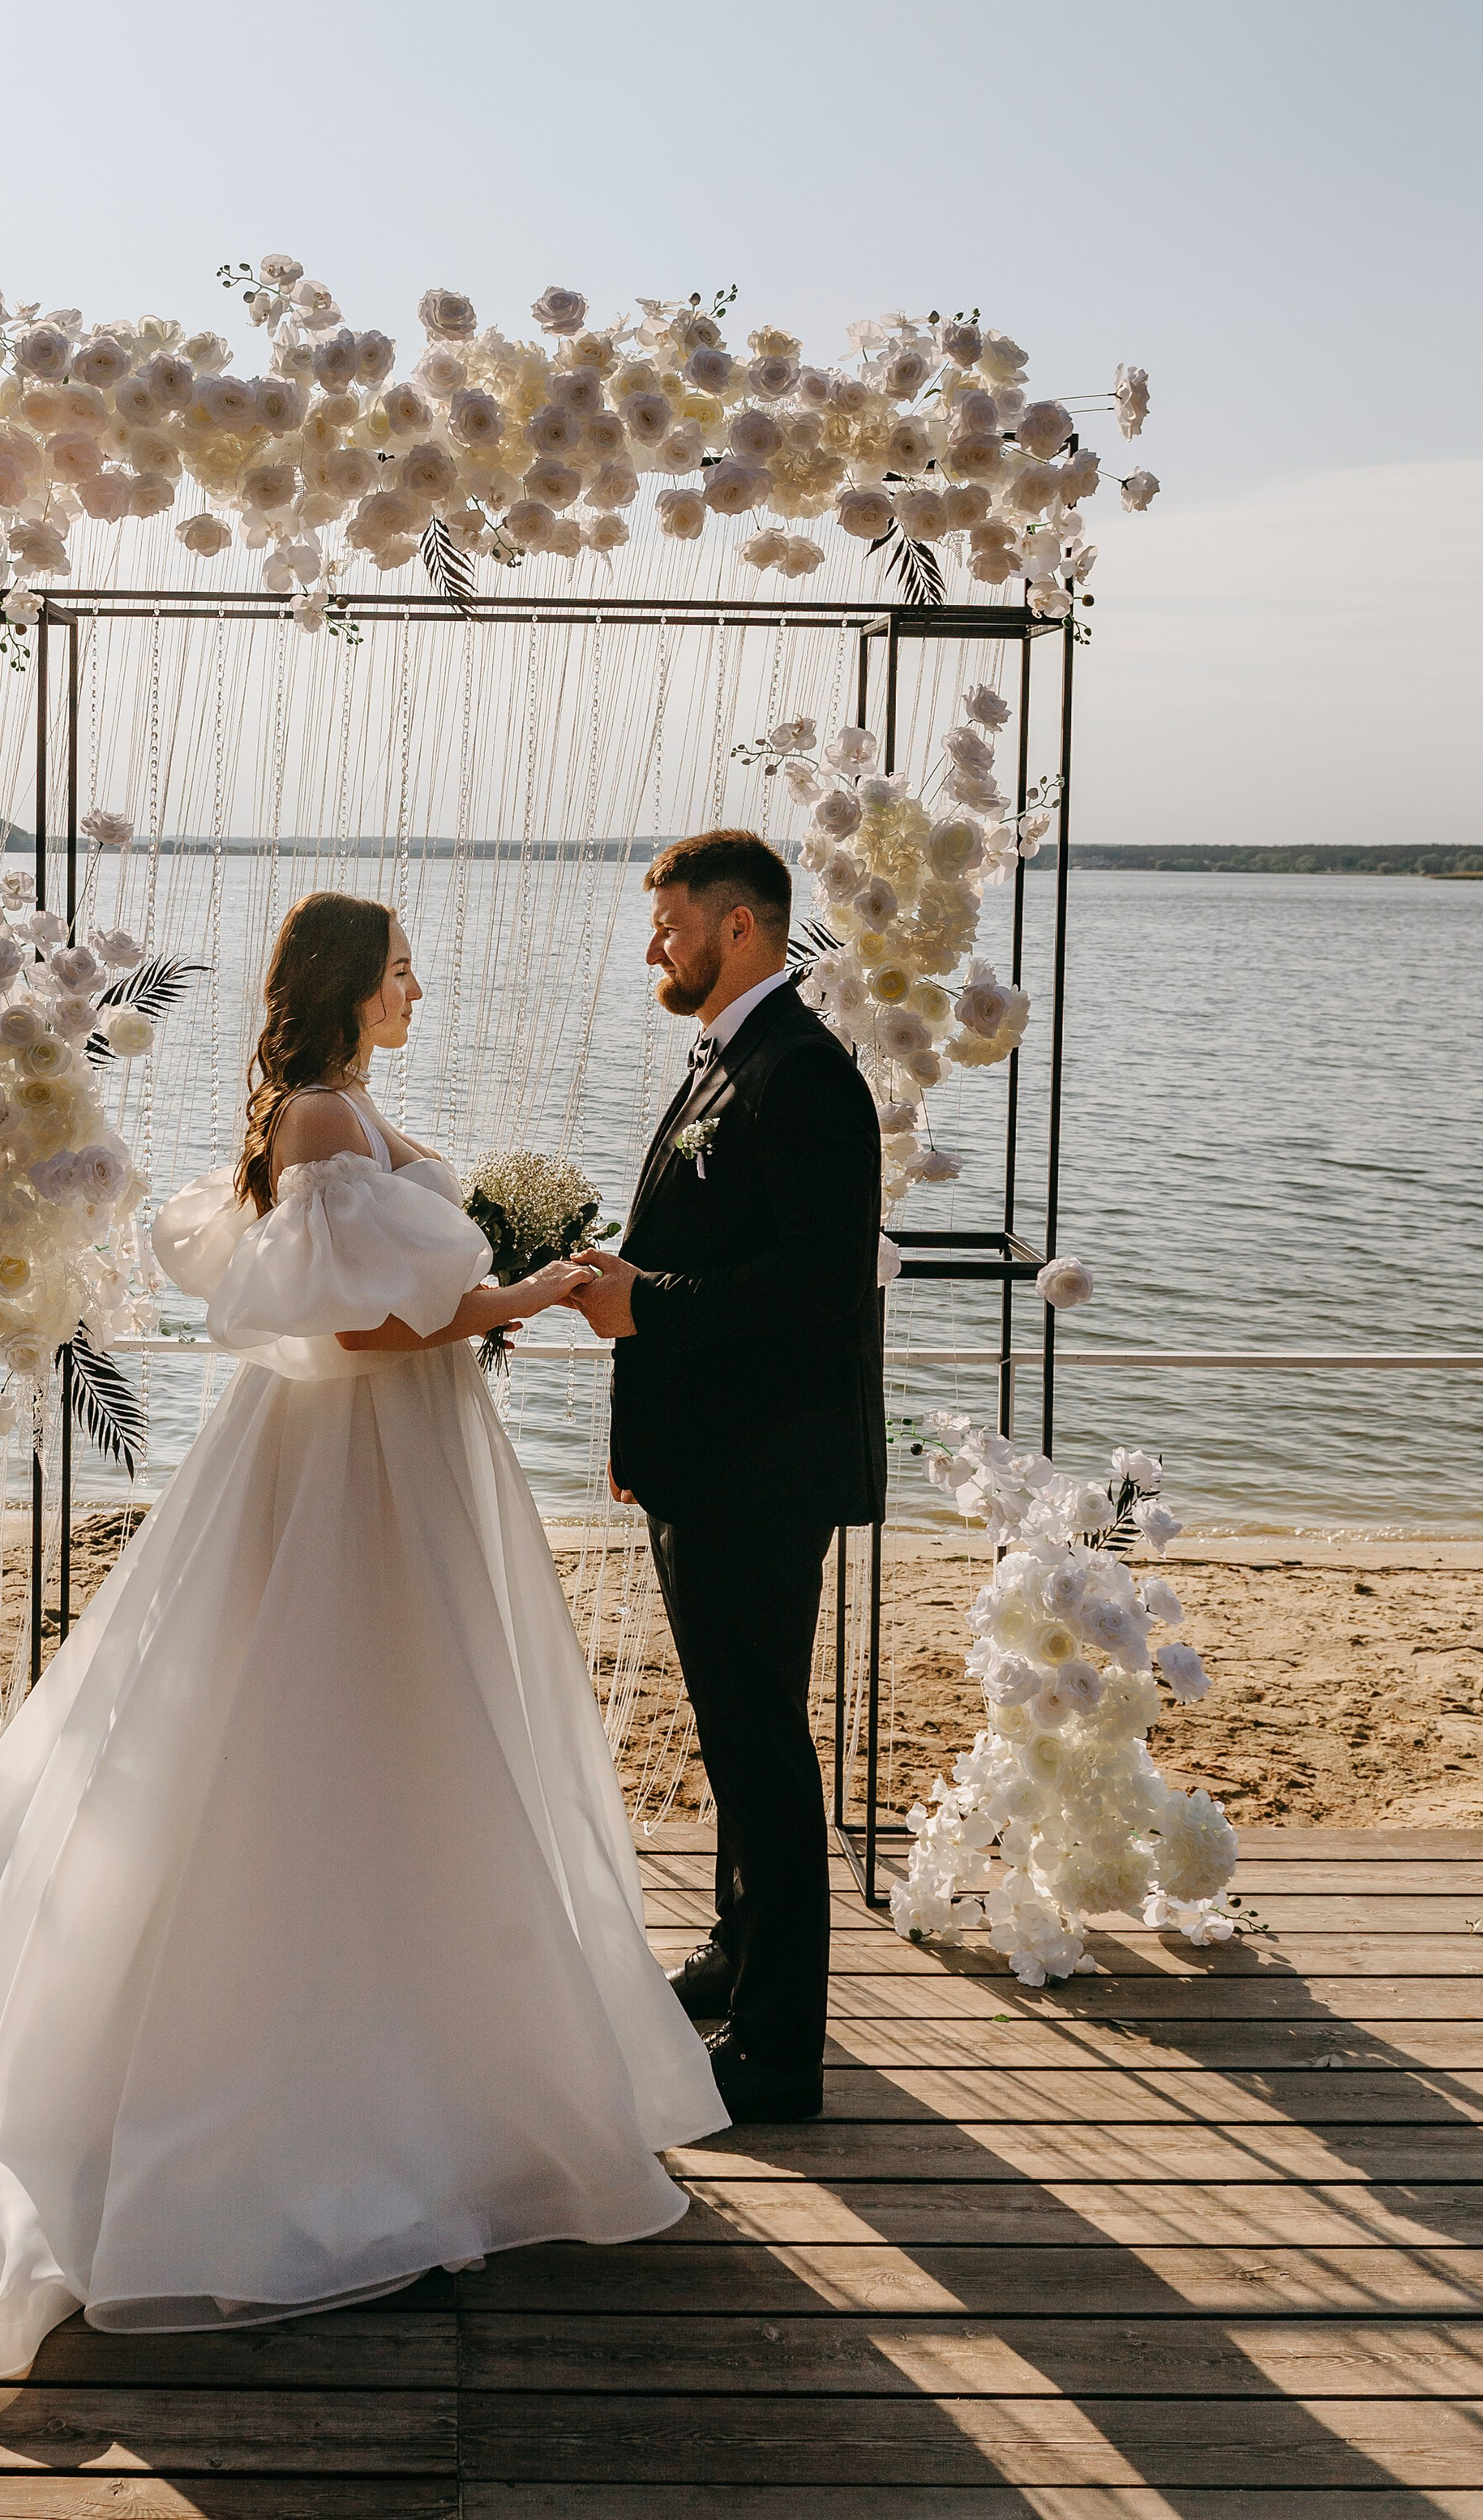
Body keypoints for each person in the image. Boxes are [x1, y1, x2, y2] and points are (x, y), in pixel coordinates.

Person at [0, 890, 723, 2378]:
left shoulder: (339, 1111)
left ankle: (431, 2074)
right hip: (349, 1473)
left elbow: (381, 1301)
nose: (419, 989)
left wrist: (493, 1284)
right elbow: (356, 1333)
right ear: (343, 985)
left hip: (394, 1468)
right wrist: (524, 1289)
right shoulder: (322, 1124)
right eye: (399, 969)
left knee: (403, 1748)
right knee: (320, 1738)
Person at [572, 830, 885, 2126]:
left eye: (671, 925)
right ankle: (736, 1951)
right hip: (708, 1459)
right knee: (731, 1726)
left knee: (761, 1745)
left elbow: (814, 1291)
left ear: (740, 928)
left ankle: (780, 2050)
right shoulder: (728, 1056)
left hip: (765, 1466)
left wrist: (646, 1307)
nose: (656, 945)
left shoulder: (803, 1074)